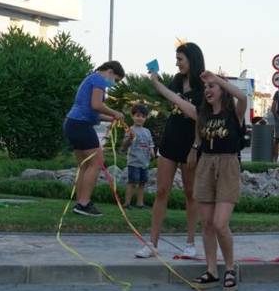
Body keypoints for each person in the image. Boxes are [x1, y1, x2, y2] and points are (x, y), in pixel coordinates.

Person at [149, 70, 248, 291]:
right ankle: (212, 270)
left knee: (220, 223)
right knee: (207, 224)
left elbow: (243, 97)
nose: (208, 90)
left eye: (212, 87)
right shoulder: (201, 114)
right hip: (206, 166)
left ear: (222, 90)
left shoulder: (235, 115)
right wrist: (156, 84)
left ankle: (230, 267)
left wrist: (218, 79)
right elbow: (175, 99)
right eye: (206, 88)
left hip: (227, 166)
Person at [139, 43, 206, 259]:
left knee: (190, 193)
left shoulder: (203, 86)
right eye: (176, 59)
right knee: (161, 191)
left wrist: (195, 147)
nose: (177, 64)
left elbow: (200, 118)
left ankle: (190, 243)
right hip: (170, 140)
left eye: (180, 60)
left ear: (192, 60)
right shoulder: (177, 81)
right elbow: (169, 100)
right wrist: (157, 83)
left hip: (190, 145)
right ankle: (152, 243)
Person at [63, 61, 126, 217]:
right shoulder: (98, 80)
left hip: (72, 123)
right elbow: (96, 105)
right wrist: (115, 113)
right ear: (110, 71)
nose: (113, 83)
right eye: (116, 80)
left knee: (85, 166)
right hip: (81, 125)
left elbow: (92, 111)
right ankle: (84, 204)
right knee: (97, 163)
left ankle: (80, 203)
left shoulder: (90, 78)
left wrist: (110, 118)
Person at [121, 104, 155, 210]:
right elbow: (124, 146)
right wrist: (129, 139)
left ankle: (140, 203)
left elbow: (150, 144)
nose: (140, 118)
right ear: (132, 116)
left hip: (144, 162)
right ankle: (127, 203)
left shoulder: (147, 131)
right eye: (138, 115)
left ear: (145, 118)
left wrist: (152, 152)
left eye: (143, 116)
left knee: (142, 183)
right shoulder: (130, 130)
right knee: (132, 182)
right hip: (134, 162)